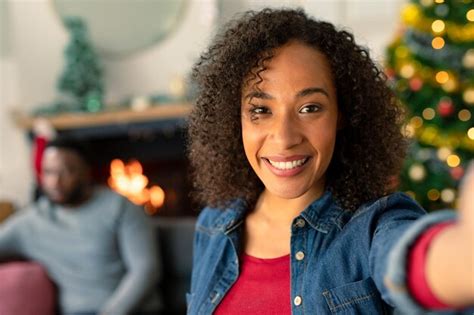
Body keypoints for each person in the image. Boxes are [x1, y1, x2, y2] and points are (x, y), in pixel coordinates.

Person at [186, 8, 474, 314]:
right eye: (261, 110)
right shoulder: (213, 224)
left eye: (310, 108)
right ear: (236, 120)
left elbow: (412, 260)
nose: (284, 138)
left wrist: (462, 257)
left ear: (342, 116)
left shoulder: (371, 230)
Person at [0, 138, 162, 315]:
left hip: (134, 310)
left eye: (66, 171)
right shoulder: (30, 221)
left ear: (86, 172)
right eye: (48, 172)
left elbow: (146, 270)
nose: (55, 182)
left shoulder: (121, 207)